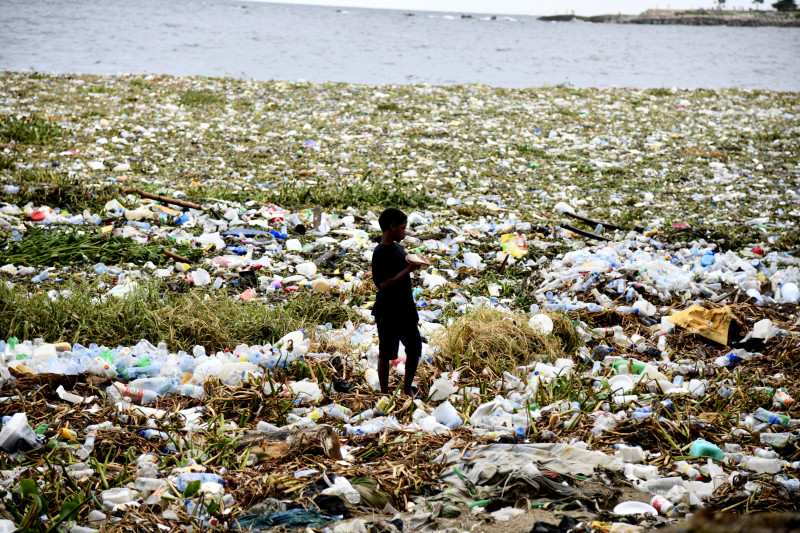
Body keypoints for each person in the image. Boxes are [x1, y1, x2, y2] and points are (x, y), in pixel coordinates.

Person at [371, 208, 422, 397]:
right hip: (389, 310)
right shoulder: (380, 253)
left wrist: (414, 263)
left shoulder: (398, 248)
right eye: (402, 228)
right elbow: (384, 284)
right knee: (386, 352)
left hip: (406, 307)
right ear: (391, 227)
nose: (404, 231)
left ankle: (407, 388)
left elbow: (402, 269)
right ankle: (384, 393)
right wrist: (408, 270)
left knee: (415, 347)